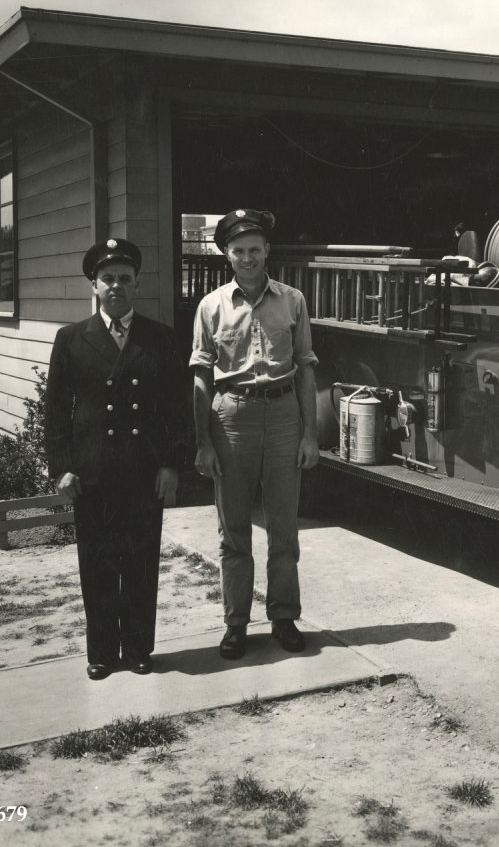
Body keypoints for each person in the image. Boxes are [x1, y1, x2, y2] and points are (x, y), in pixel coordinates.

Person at [45, 237, 184, 681]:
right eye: (108, 279)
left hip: (145, 472)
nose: (116, 286)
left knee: (141, 563)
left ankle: (140, 648)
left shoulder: (160, 338)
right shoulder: (70, 340)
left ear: (138, 285)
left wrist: (170, 464)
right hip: (93, 474)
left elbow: (175, 409)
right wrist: (61, 467)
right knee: (98, 564)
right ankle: (102, 652)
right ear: (94, 284)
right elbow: (56, 412)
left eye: (125, 278)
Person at [190, 209, 319, 660]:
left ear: (267, 251)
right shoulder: (211, 306)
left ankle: (284, 617)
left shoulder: (293, 301)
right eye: (238, 250)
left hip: (283, 416)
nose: (247, 258)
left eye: (255, 249)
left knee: (284, 526)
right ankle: (236, 624)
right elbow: (202, 376)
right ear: (226, 254)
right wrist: (204, 441)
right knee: (234, 530)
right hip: (232, 418)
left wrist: (309, 434)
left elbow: (305, 367)